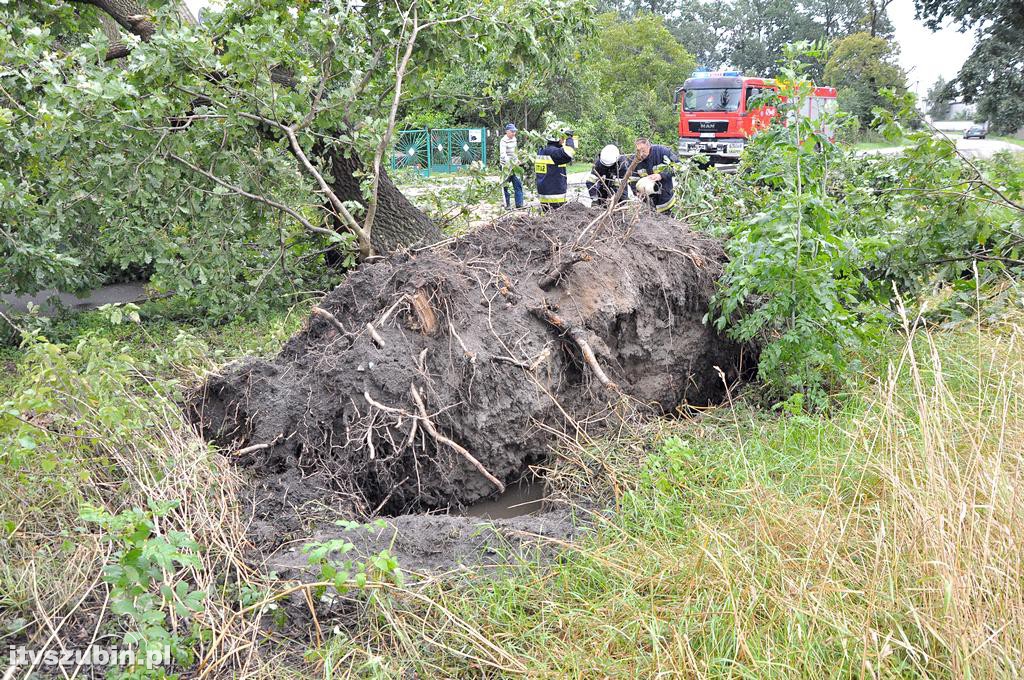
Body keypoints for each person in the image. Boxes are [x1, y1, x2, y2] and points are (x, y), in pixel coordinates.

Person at [535, 124, 576, 211]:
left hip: (544, 195)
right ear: (557, 138)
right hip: (554, 197)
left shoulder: (542, 150)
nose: (563, 139)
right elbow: (569, 153)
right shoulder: (553, 152)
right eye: (562, 137)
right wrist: (569, 138)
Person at [631, 137, 678, 214]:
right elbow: (633, 179)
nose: (641, 154)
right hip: (648, 203)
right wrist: (636, 192)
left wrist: (661, 175)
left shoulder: (662, 152)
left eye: (643, 150)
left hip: (666, 201)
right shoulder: (635, 160)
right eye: (638, 151)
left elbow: (677, 166)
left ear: (649, 146)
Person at [499, 123, 524, 209]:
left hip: (514, 166)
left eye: (515, 132)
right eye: (512, 131)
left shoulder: (514, 139)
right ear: (507, 132)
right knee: (505, 185)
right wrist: (511, 162)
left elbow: (515, 153)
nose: (514, 133)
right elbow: (503, 155)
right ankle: (507, 205)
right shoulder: (503, 141)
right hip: (505, 166)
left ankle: (519, 204)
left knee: (518, 184)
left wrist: (517, 160)